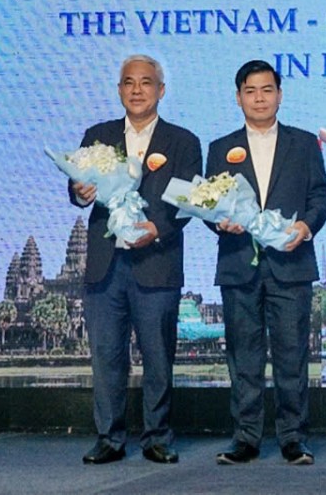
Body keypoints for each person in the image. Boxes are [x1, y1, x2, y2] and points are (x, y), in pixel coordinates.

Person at [68, 54, 201, 465]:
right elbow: (76, 188)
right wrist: (79, 191)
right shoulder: (98, 135)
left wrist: (156, 229)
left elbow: (188, 201)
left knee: (158, 356)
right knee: (106, 356)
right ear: (120, 90)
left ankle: (158, 437)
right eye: (129, 83)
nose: (137, 90)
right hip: (106, 267)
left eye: (146, 83)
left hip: (155, 262)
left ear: (161, 90)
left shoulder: (183, 141)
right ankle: (109, 437)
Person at [207, 60, 326, 466]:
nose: (259, 98)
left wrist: (307, 226)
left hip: (290, 263)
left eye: (267, 90)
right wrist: (218, 222)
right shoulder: (220, 147)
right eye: (250, 91)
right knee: (243, 355)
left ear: (280, 94)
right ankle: (245, 437)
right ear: (238, 96)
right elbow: (210, 205)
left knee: (292, 354)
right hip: (238, 263)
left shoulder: (303, 143)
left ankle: (294, 437)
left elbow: (321, 198)